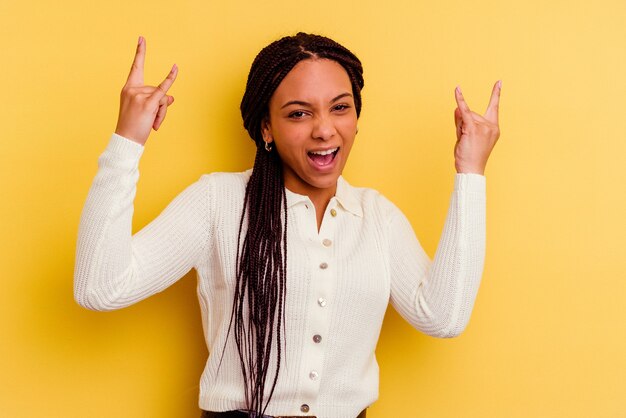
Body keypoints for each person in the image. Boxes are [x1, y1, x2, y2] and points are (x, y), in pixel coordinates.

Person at [74, 32, 500, 418]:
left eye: (340, 108)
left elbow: (444, 317)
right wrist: (127, 142)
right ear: (266, 128)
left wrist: (471, 172)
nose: (324, 130)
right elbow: (99, 287)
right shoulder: (218, 202)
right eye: (298, 114)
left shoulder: (377, 218)